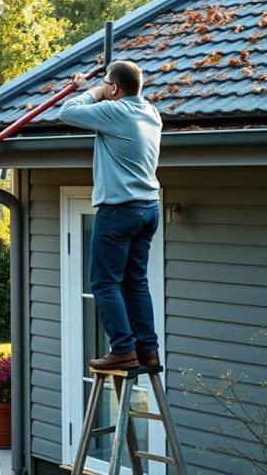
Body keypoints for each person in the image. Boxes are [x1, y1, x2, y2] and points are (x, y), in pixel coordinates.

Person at [58, 60, 163, 371]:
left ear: (114, 88)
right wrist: (102, 87)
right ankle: (148, 350)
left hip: (119, 210)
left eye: (107, 83)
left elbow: (67, 112)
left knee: (105, 283)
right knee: (136, 283)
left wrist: (90, 91)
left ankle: (122, 348)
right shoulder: (151, 112)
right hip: (148, 208)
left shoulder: (117, 111)